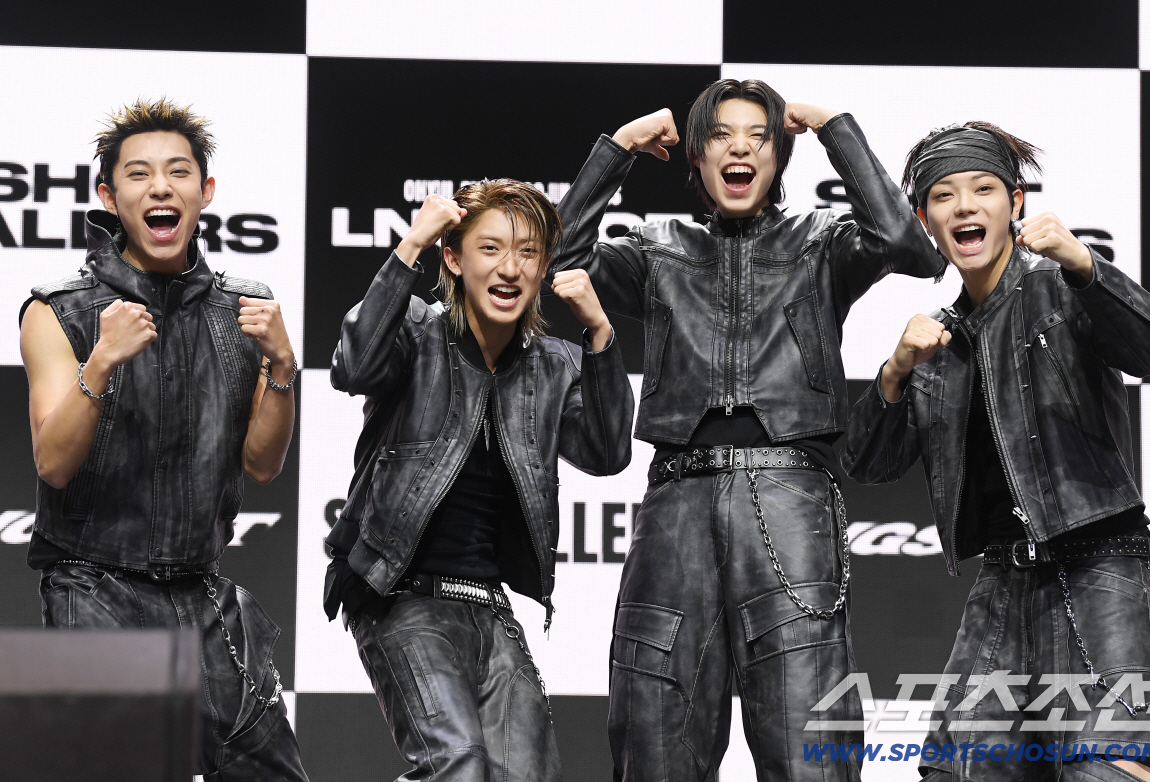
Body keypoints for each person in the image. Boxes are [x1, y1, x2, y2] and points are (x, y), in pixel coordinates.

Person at [551, 78, 946, 781]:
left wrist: (832, 125)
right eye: (720, 135)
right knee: (656, 740)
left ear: (778, 157)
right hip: (677, 504)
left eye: (758, 137)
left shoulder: (821, 243)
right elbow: (557, 263)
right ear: (697, 159)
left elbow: (910, 247)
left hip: (789, 498)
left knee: (807, 743)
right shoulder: (655, 248)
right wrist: (620, 147)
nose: (739, 148)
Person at [840, 122, 1150, 782]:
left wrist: (1085, 265)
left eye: (983, 189)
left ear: (1015, 203)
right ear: (925, 221)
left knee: (1111, 768)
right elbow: (867, 465)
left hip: (1098, 566)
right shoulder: (938, 342)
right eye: (943, 195)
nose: (964, 206)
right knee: (958, 769)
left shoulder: (1060, 287)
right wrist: (895, 370)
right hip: (1002, 583)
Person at [19, 98, 307, 780]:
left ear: (205, 191)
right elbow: (53, 464)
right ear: (108, 195)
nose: (160, 187)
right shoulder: (59, 310)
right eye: (139, 173)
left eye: (178, 172)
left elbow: (263, 465)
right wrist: (101, 363)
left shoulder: (243, 308)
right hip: (94, 587)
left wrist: (283, 367)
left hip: (202, 595)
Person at [324, 179, 634, 781]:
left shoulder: (555, 366)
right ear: (453, 258)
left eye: (527, 252)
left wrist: (600, 334)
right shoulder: (416, 331)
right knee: (459, 764)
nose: (509, 268)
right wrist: (411, 243)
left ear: (544, 267)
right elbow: (353, 366)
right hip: (399, 596)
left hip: (489, 608)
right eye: (490, 248)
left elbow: (606, 452)